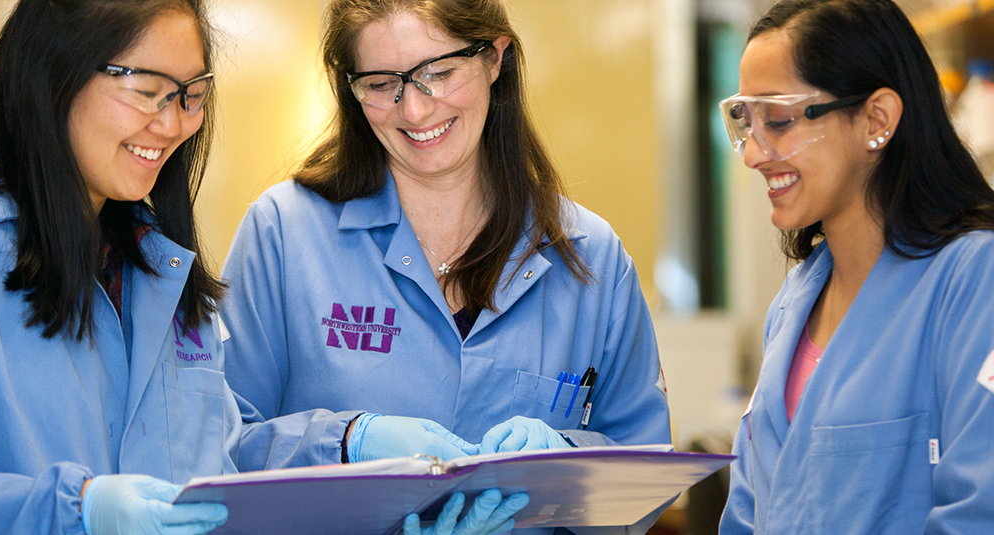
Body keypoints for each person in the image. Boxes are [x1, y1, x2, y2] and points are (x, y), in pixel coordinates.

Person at [0, 0, 526, 534]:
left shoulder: (152, 269)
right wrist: (74, 511)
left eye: (191, 94)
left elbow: (222, 469)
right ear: (53, 74)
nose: (173, 123)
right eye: (147, 89)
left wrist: (357, 450)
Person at [220, 0, 672, 532]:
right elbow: (222, 447)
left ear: (494, 58)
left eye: (438, 73)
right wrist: (347, 442)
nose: (414, 109)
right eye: (381, 83)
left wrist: (563, 462)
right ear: (351, 89)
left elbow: (647, 479)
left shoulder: (590, 257)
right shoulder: (283, 232)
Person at [717, 0, 994, 533]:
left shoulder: (985, 276)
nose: (753, 153)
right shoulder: (797, 298)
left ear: (876, 119)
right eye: (745, 121)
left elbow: (993, 516)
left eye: (777, 120)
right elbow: (748, 514)